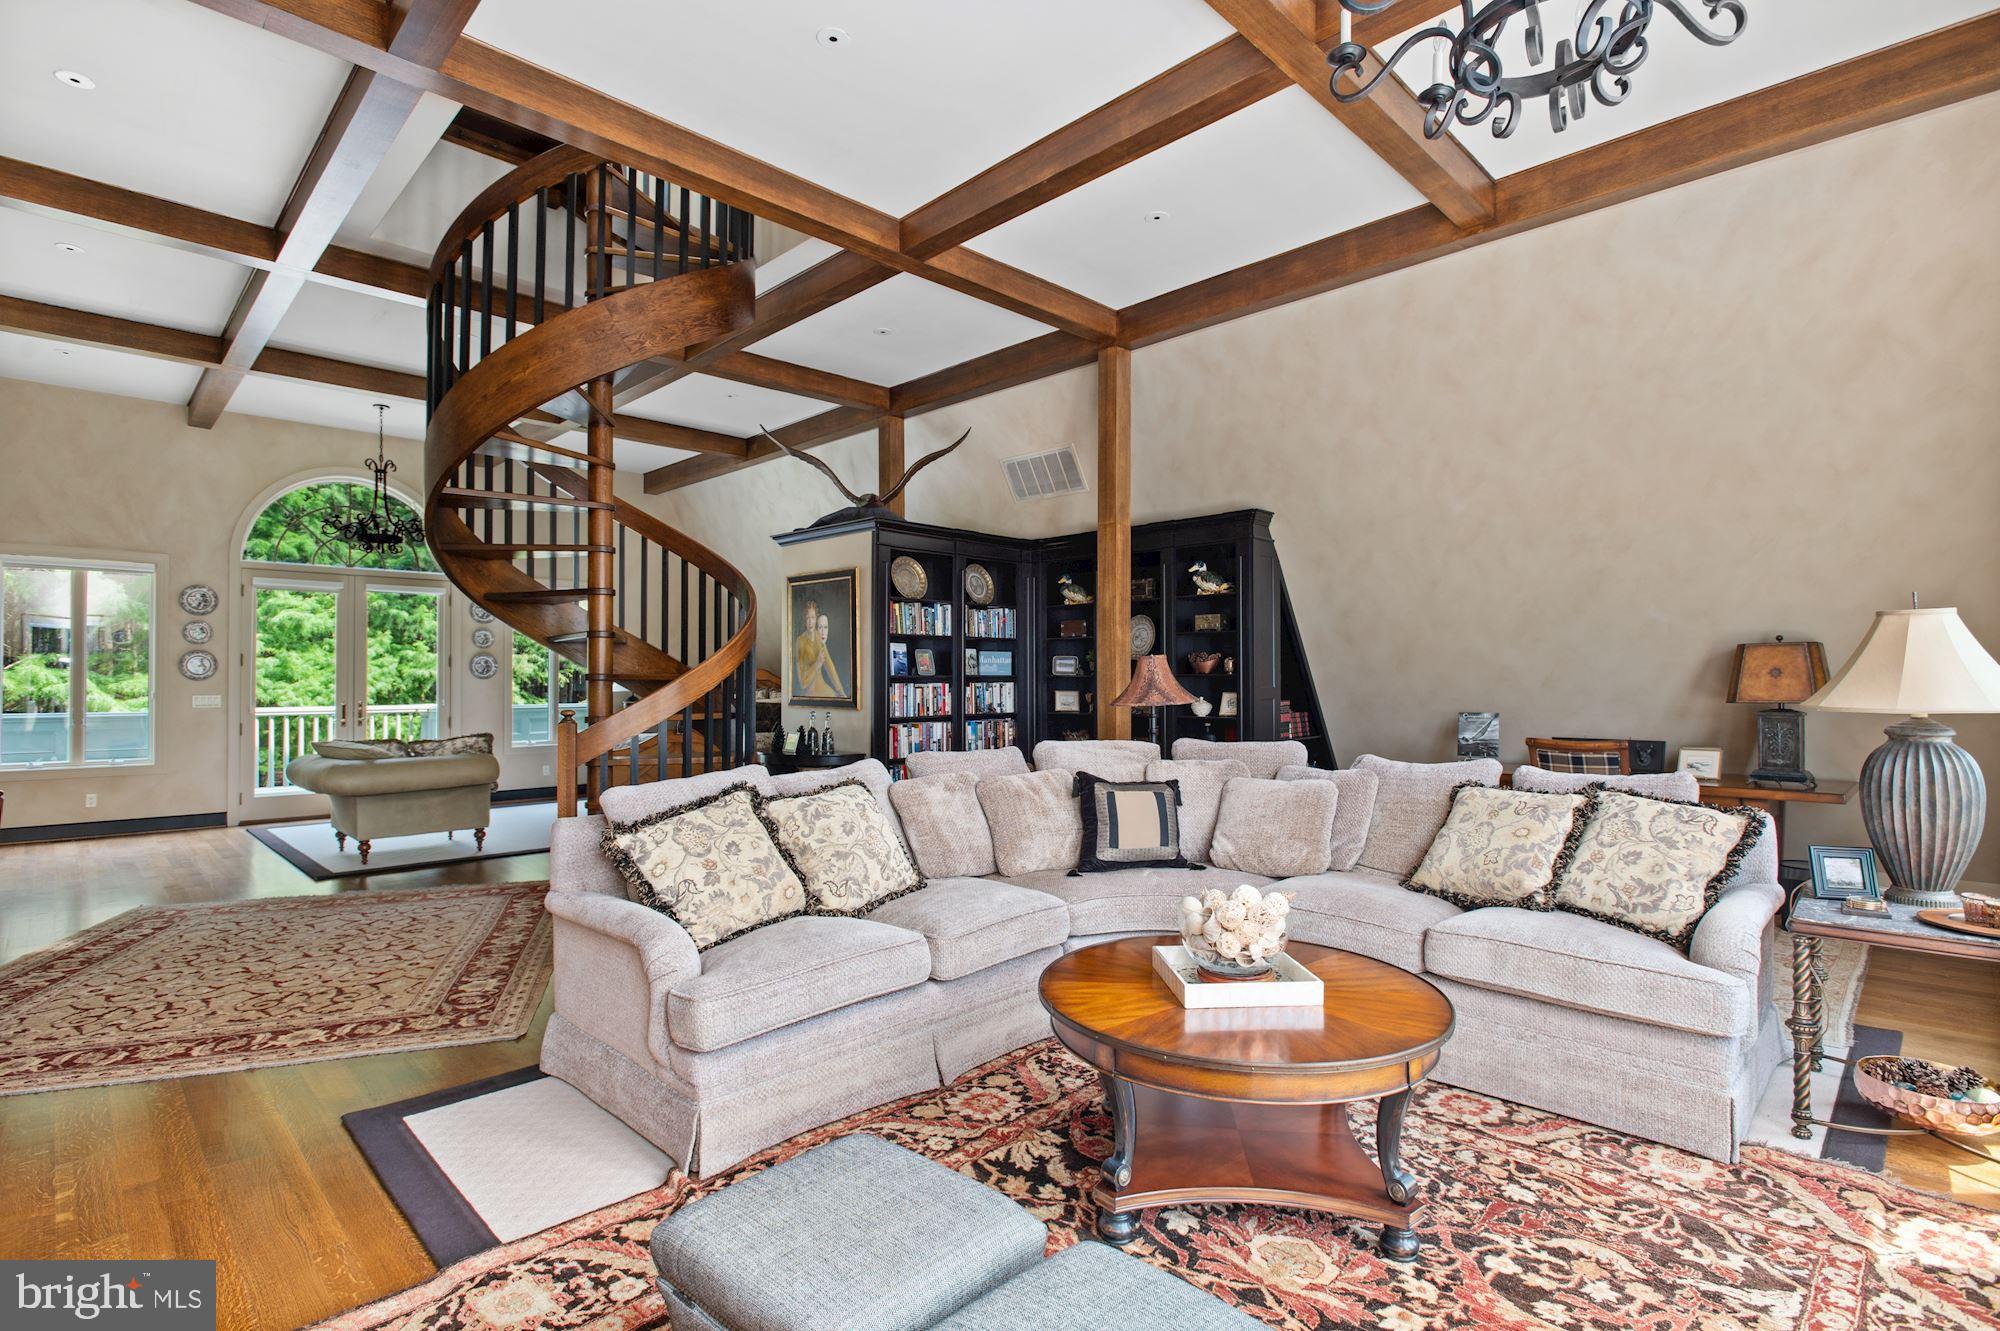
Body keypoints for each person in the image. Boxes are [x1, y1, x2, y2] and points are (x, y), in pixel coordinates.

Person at [793, 601, 844, 699]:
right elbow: (803, 683)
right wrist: (817, 663)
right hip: (810, 693)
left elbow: (830, 666)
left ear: (816, 619)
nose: (810, 622)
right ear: (804, 620)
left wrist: (841, 691)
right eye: (807, 618)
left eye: (812, 618)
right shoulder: (800, 641)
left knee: (839, 698)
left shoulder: (818, 636)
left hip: (823, 688)